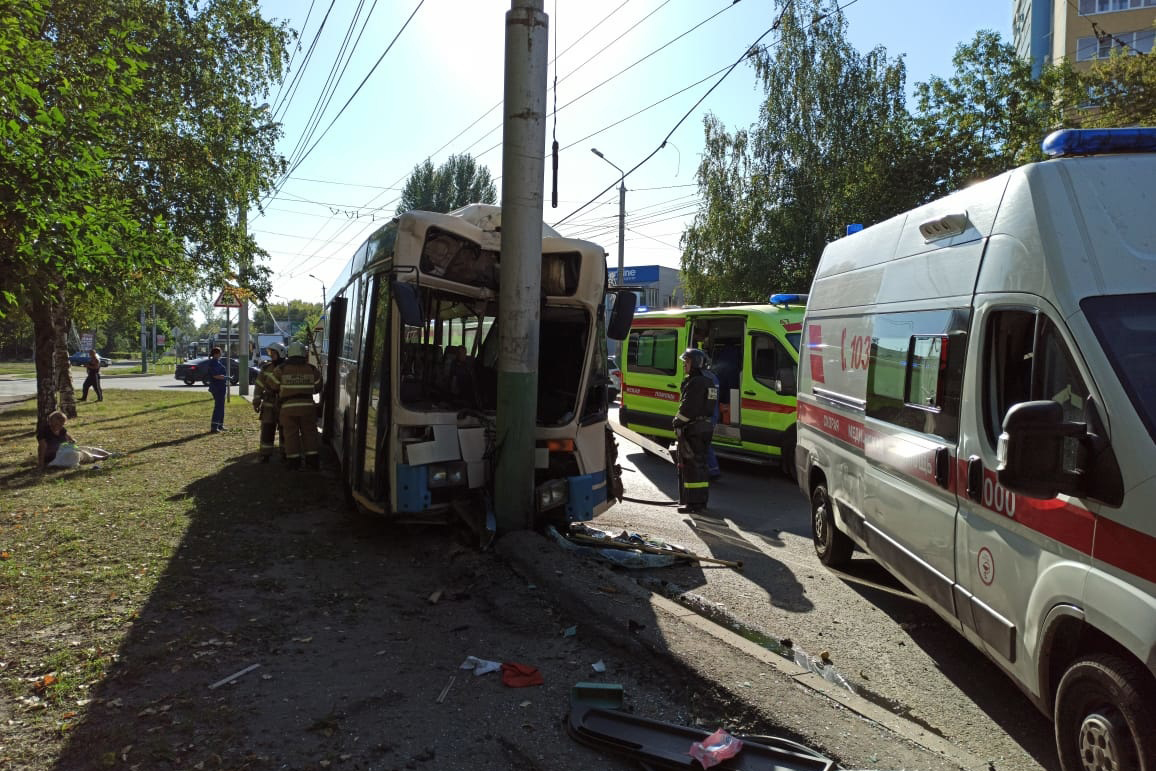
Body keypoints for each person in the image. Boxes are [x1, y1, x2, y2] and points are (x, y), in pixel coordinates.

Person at [672, 348, 718, 514]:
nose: (685, 365)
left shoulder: (695, 383)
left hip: (694, 429)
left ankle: (691, 504)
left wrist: (677, 422)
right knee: (701, 465)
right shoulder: (709, 382)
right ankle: (700, 502)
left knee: (691, 466)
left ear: (695, 363)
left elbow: (688, 407)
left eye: (688, 362)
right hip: (705, 428)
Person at [270, 341, 323, 470]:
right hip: (308, 408)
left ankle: (294, 462)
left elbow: (272, 386)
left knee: (291, 435)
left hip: (288, 409)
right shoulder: (311, 369)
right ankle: (312, 462)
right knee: (310, 434)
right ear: (303, 354)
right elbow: (318, 387)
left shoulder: (280, 369)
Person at [252, 342, 286, 463]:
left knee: (285, 429)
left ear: (281, 353)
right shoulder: (266, 368)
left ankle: (286, 453)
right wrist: (256, 401)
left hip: (283, 403)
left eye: (273, 353)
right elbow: (259, 386)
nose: (271, 356)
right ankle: (265, 454)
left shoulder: (287, 368)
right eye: (270, 353)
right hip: (269, 403)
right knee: (267, 429)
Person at [703, 359, 722, 481]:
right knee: (705, 441)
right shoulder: (713, 377)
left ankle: (713, 470)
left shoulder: (704, 378)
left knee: (703, 442)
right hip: (712, 414)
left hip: (706, 415)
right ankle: (712, 469)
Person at [206, 347, 228, 433]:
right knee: (218, 407)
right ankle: (214, 426)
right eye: (220, 352)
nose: (221, 354)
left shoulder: (217, 362)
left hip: (221, 386)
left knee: (221, 406)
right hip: (217, 387)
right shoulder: (213, 362)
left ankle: (220, 425)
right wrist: (225, 377)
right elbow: (215, 375)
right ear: (215, 354)